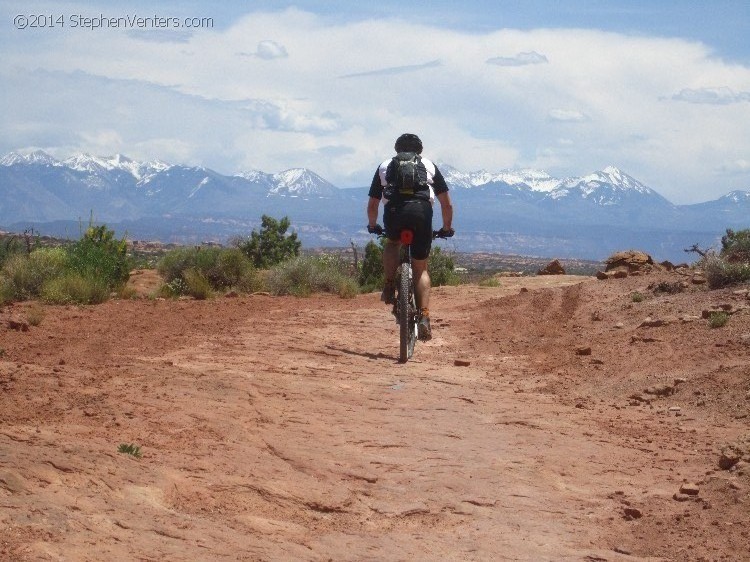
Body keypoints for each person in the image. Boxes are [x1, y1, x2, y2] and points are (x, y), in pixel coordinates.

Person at [367, 133, 454, 341]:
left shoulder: (385, 166)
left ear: (397, 149)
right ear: (419, 150)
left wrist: (372, 225)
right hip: (421, 213)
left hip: (394, 213)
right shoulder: (429, 165)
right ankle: (424, 316)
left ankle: (389, 285)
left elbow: (372, 204)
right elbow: (446, 204)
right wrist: (446, 228)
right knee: (420, 267)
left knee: (393, 242)